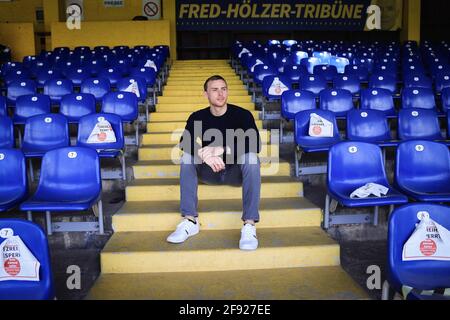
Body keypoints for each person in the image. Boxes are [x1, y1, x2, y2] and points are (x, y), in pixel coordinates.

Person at [166, 75, 262, 250]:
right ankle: (190, 221)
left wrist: (223, 149)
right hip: (209, 172)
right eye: (215, 90)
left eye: (223, 89)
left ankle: (249, 225)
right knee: (187, 157)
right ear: (206, 94)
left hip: (236, 173)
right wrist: (205, 156)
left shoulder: (242, 115)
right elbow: (184, 141)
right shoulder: (197, 116)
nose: (220, 94)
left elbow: (256, 143)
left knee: (251, 158)